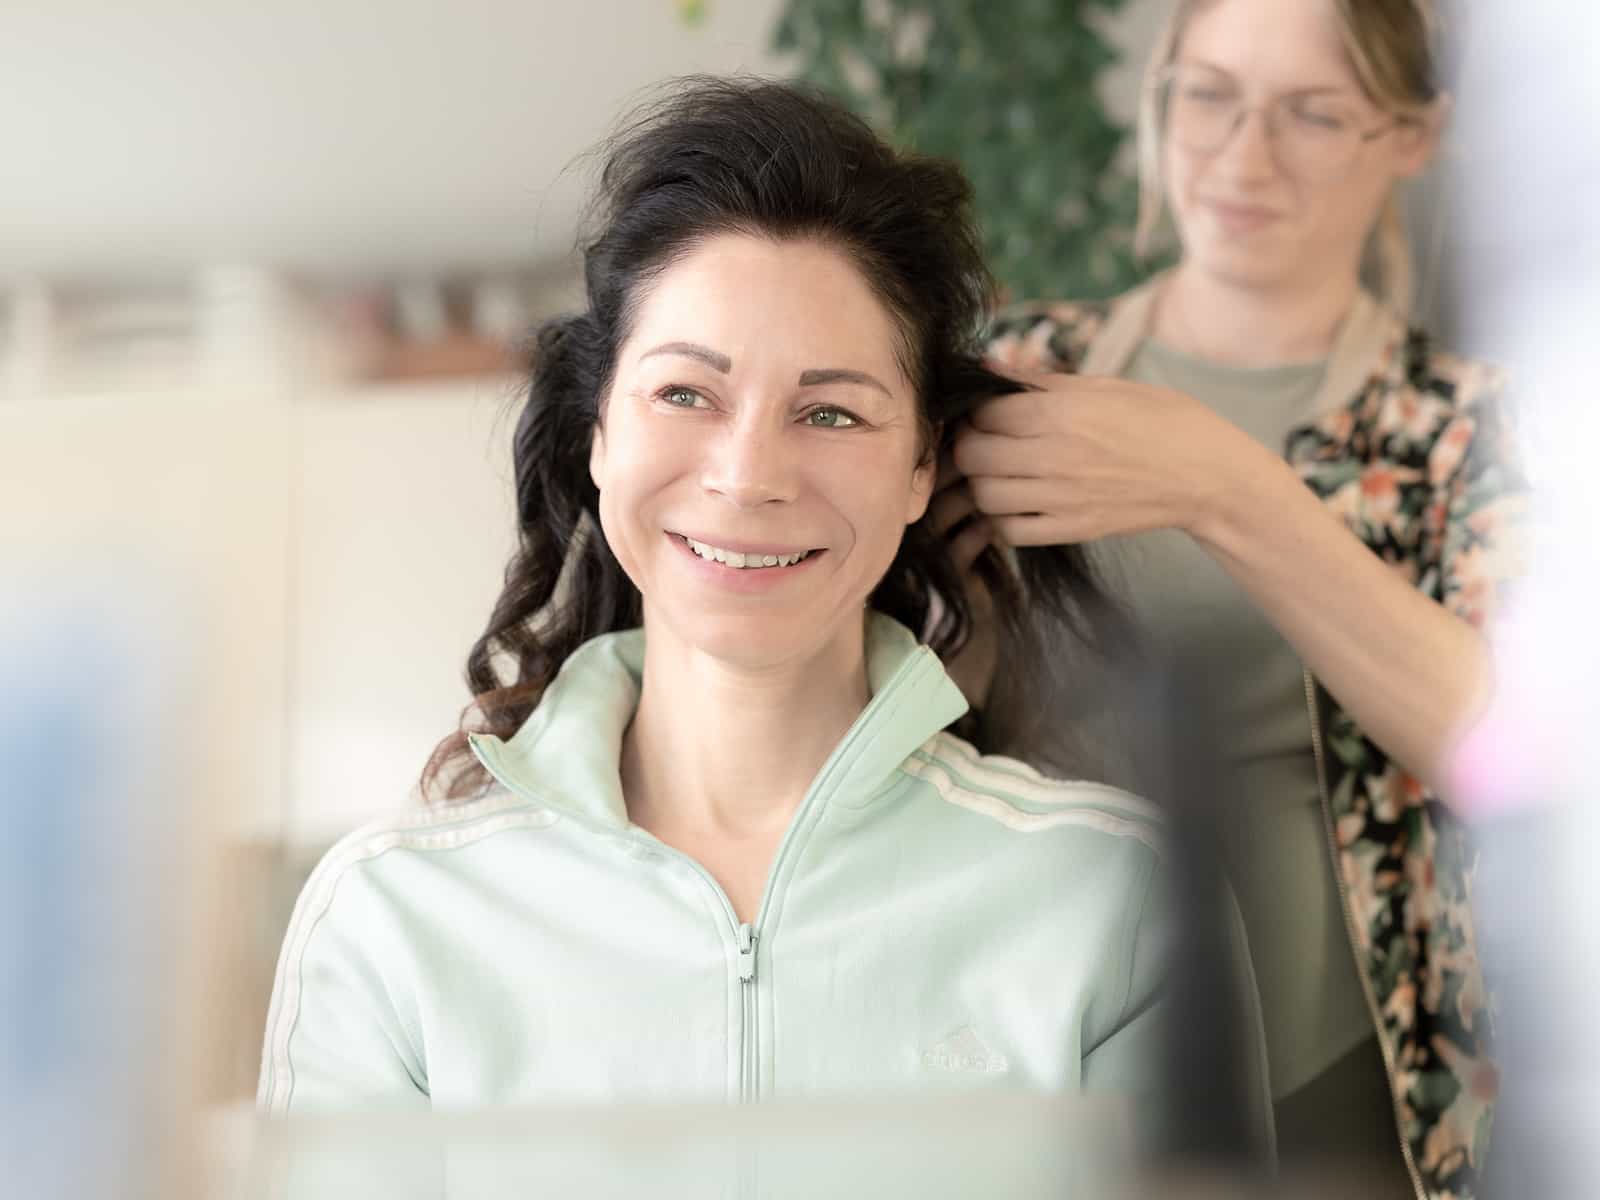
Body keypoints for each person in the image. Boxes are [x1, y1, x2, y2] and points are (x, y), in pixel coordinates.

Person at [257, 78, 1224, 1147]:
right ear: (598, 436)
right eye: (685, 393)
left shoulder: (1107, 902)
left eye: (829, 411)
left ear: (920, 469)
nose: (749, 474)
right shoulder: (392, 921)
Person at [937, 2, 1525, 1197]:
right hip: (1032, 1044)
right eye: (1208, 96)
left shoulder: (1471, 429)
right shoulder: (1021, 376)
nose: (1243, 156)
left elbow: (1506, 744)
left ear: (1416, 137)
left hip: (1345, 1092)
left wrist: (1227, 489)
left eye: (1313, 113)